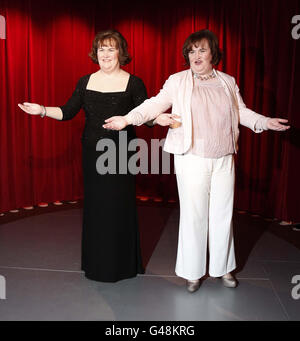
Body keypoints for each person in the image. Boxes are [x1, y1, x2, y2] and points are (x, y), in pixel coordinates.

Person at [102, 29, 290, 292]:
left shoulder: (227, 81)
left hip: (224, 156)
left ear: (213, 53)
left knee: (223, 215)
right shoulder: (178, 81)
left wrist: (265, 122)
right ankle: (192, 272)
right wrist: (126, 119)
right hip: (191, 157)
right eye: (191, 51)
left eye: (202, 50)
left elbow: (242, 112)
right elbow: (154, 104)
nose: (196, 55)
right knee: (194, 216)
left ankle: (223, 268)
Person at [18, 29, 148, 283]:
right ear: (95, 53)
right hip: (92, 155)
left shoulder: (134, 83)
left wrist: (161, 117)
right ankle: (97, 264)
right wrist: (43, 110)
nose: (106, 54)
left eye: (111, 48)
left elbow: (146, 114)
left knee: (119, 207)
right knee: (97, 208)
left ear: (121, 52)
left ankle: (123, 266)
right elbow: (67, 112)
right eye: (101, 49)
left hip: (122, 154)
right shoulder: (85, 81)